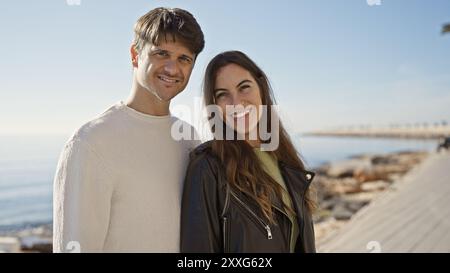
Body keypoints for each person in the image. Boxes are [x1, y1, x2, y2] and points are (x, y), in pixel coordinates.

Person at [53, 7, 204, 252]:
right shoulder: (90, 142)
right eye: (161, 53)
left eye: (183, 59)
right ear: (135, 55)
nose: (172, 68)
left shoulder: (189, 138)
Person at [180, 51, 316, 253]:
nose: (236, 103)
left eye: (244, 87)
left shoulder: (285, 158)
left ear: (261, 87)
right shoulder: (208, 168)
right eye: (223, 94)